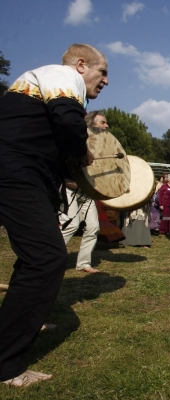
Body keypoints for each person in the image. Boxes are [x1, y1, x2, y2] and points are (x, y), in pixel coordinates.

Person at [0, 43, 108, 386]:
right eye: (102, 72)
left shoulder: (43, 83)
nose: (106, 80)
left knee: (35, 259)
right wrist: (83, 152)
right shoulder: (63, 77)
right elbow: (66, 121)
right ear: (81, 65)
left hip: (24, 171)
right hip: (16, 171)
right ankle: (6, 363)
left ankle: (26, 319)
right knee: (46, 258)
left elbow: (49, 138)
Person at [58, 110, 108, 274]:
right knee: (70, 225)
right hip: (69, 187)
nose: (106, 125)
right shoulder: (76, 140)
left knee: (93, 227)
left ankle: (83, 263)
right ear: (91, 124)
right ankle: (50, 259)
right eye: (102, 122)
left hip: (87, 191)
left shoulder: (103, 146)